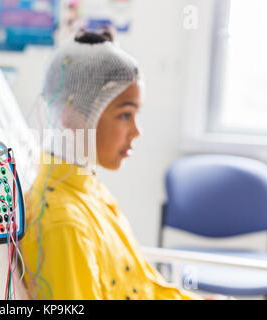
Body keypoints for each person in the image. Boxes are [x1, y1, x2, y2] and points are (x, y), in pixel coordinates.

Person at [20, 30, 200, 300]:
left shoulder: (89, 189)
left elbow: (142, 285)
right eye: (125, 115)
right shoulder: (65, 224)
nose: (137, 131)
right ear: (72, 116)